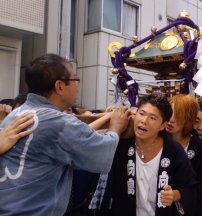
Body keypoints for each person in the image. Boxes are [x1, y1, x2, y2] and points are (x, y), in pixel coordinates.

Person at [0, 54, 131, 216]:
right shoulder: (57, 121)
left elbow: (76, 137)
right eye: (75, 80)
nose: (77, 86)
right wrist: (116, 129)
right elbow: (101, 153)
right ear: (60, 86)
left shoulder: (15, 114)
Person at [108, 93, 198, 216]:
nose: (144, 121)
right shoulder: (122, 146)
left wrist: (175, 195)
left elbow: (191, 188)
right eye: (141, 113)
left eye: (153, 117)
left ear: (163, 126)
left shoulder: (174, 151)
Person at [166, 94, 202, 215]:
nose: (171, 119)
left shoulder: (197, 145)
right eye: (169, 113)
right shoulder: (158, 137)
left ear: (188, 118)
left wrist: (181, 194)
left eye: (178, 115)